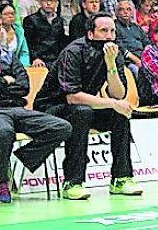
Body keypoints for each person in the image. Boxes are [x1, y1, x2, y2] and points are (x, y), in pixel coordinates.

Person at [33, 13, 143, 200]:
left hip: (85, 106)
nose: (109, 36)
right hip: (51, 107)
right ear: (91, 34)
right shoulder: (73, 52)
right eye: (103, 31)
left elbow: (118, 94)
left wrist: (111, 65)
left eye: (112, 31)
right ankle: (72, 182)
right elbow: (72, 97)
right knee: (83, 112)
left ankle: (121, 178)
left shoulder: (113, 53)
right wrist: (113, 103)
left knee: (119, 114)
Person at [0, 11, 72, 204]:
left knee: (62, 127)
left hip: (17, 108)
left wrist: (0, 84)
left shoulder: (7, 55)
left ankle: (4, 162)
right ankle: (3, 179)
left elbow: (24, 85)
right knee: (4, 132)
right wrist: (5, 81)